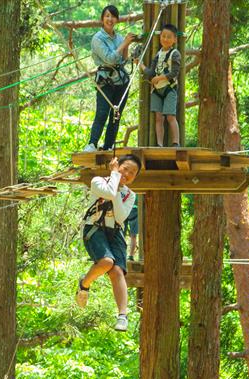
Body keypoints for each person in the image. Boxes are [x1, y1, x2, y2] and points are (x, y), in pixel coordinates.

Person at [75, 154, 141, 332]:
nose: (127, 174)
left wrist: (119, 187)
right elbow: (110, 192)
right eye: (125, 168)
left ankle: (122, 315)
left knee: (117, 270)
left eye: (132, 173)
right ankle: (84, 284)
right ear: (116, 165)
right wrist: (114, 177)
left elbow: (120, 217)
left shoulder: (130, 195)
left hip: (115, 232)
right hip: (94, 228)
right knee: (106, 262)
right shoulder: (98, 181)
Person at [84, 5, 136, 153]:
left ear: (117, 20)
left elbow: (123, 60)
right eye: (107, 16)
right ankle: (93, 143)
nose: (110, 19)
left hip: (121, 81)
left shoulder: (119, 37)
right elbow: (109, 59)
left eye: (113, 16)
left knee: (116, 115)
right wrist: (124, 44)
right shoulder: (98, 39)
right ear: (102, 19)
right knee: (102, 112)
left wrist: (126, 45)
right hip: (105, 81)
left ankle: (108, 145)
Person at [138, 23, 181, 147]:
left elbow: (174, 72)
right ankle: (160, 144)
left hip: (169, 89)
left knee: (170, 116)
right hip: (157, 90)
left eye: (169, 37)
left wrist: (159, 78)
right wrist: (140, 64)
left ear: (174, 39)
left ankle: (175, 143)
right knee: (158, 118)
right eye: (163, 36)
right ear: (160, 37)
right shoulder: (158, 54)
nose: (165, 39)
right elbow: (151, 72)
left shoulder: (175, 54)